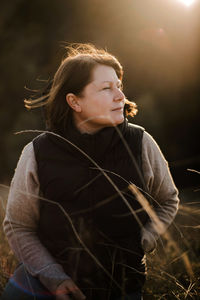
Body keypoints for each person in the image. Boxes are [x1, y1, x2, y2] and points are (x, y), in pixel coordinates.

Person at [1, 43, 179, 300]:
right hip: (41, 286)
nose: (120, 95)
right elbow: (18, 226)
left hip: (121, 286)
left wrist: (145, 239)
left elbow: (168, 200)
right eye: (106, 88)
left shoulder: (141, 143)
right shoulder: (38, 151)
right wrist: (52, 277)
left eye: (118, 85)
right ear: (74, 101)